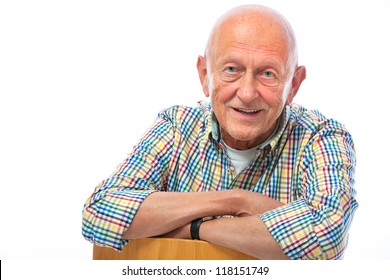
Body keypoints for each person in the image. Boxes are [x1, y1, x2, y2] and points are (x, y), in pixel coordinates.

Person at [82, 4, 358, 260]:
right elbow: (99, 212)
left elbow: (328, 233)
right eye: (231, 69)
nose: (247, 93)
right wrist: (236, 201)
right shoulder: (177, 125)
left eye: (268, 74)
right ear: (205, 75)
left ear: (294, 85)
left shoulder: (322, 136)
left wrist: (194, 229)